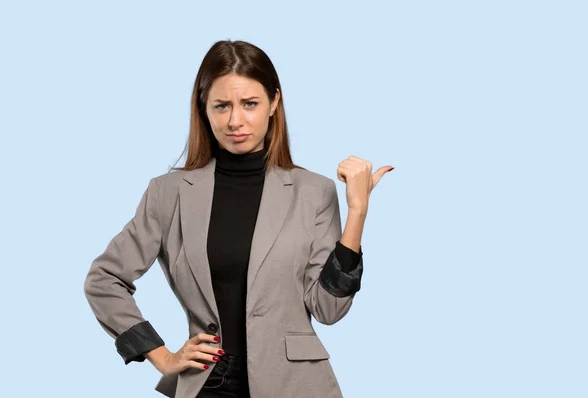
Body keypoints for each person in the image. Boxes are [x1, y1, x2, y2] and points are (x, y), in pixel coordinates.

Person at [84, 39, 393, 398]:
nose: (235, 121)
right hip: (207, 385)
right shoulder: (168, 193)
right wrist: (161, 356)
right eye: (221, 106)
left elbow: (328, 309)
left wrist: (358, 211)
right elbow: (104, 279)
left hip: (297, 387)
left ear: (274, 102)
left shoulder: (314, 192)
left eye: (250, 104)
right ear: (204, 108)